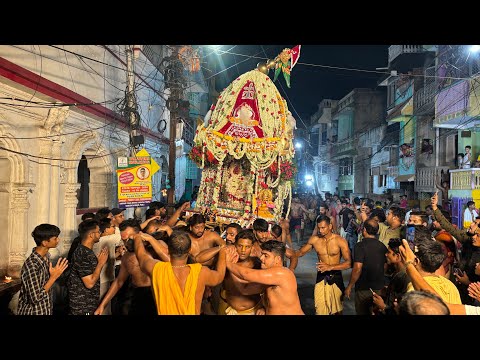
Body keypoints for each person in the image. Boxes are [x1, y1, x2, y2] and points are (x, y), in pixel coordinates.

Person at [134, 230, 227, 315]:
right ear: (190, 250)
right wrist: (222, 250)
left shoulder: (156, 268)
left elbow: (141, 255)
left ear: (168, 250)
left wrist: (137, 237)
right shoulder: (200, 272)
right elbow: (219, 276)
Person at [226, 240, 304, 315]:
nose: (261, 258)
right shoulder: (268, 278)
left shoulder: (282, 273)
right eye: (262, 254)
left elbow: (246, 274)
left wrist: (228, 263)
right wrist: (232, 267)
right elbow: (245, 290)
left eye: (266, 256)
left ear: (277, 259)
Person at [297, 215, 351, 315]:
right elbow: (299, 253)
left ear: (330, 226)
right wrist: (282, 251)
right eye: (319, 228)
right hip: (321, 277)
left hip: (336, 277)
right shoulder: (315, 240)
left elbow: (348, 263)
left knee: (337, 311)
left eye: (323, 228)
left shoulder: (340, 240)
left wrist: (330, 267)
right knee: (320, 309)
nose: (320, 231)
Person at [17, 224, 69, 315]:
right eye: (55, 238)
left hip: (45, 309)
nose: (58, 240)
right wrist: (53, 277)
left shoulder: (45, 257)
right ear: (45, 242)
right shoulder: (32, 265)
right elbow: (35, 298)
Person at [345, 218, 387, 315]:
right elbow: (385, 267)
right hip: (379, 289)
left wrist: (350, 286)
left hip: (364, 289)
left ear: (364, 230)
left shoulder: (360, 246)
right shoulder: (382, 246)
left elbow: (357, 268)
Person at [67, 219, 108, 315]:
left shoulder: (87, 252)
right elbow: (89, 283)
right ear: (91, 235)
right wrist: (101, 263)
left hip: (89, 302)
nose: (100, 234)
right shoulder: (82, 254)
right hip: (82, 305)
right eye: (98, 232)